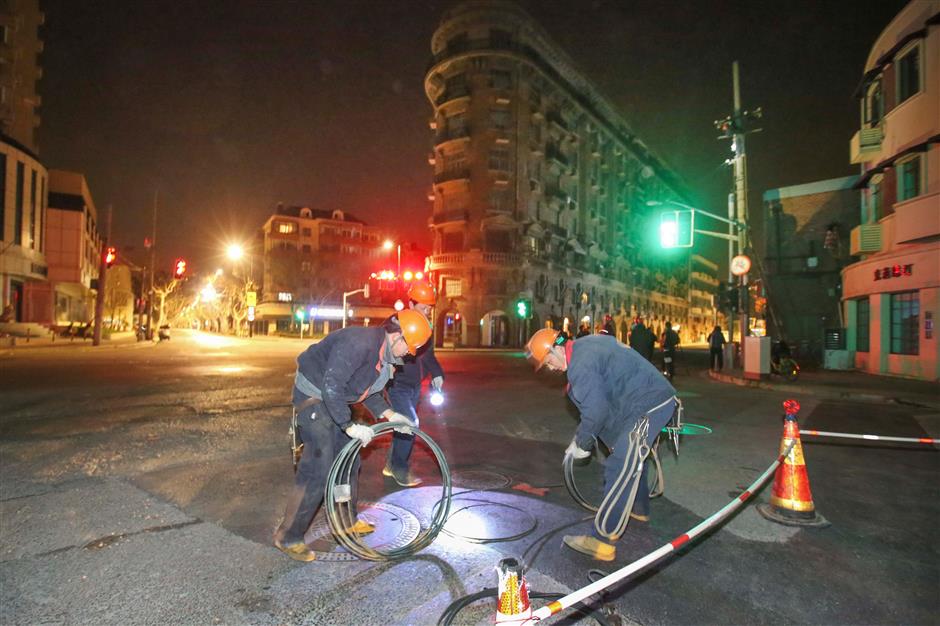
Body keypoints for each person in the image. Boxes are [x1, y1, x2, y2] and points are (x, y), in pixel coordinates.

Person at [272, 310, 433, 562]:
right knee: (320, 467)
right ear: (396, 336)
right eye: (409, 347)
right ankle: (288, 535)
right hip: (314, 395)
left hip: (335, 398)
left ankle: (344, 522)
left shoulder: (384, 357)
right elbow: (331, 385)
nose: (410, 354)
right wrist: (348, 425)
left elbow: (367, 392)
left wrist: (392, 415)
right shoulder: (358, 344)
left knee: (349, 462)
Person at [525, 328, 679, 562]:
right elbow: (608, 400)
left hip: (649, 405)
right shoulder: (586, 347)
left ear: (556, 348)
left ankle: (602, 540)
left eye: (548, 362)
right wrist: (593, 440)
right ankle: (638, 508)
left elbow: (596, 412)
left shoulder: (580, 365)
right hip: (644, 403)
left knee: (619, 466)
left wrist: (582, 442)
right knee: (630, 457)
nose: (551, 368)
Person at [383, 283, 445, 487]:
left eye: (429, 309)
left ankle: (391, 464)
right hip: (397, 383)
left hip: (415, 386)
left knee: (402, 423)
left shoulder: (426, 327)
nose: (426, 313)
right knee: (409, 422)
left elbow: (429, 356)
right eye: (423, 307)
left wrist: (436, 374)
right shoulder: (396, 324)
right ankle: (399, 468)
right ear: (410, 304)